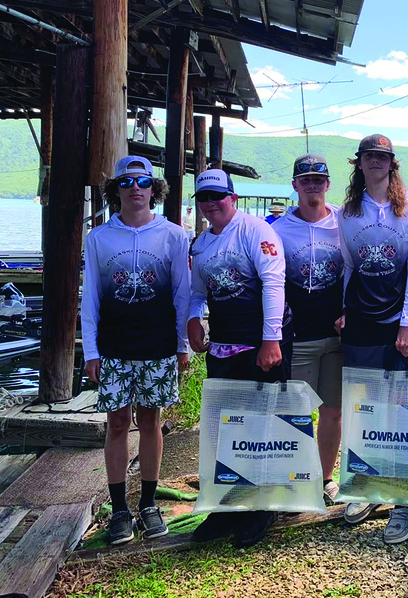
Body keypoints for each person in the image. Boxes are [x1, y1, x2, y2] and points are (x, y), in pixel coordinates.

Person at [81, 155, 190, 545]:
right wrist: (90, 350)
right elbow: (90, 296)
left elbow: (182, 295)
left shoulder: (174, 236)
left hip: (158, 346)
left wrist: (182, 347)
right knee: (115, 424)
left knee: (150, 422)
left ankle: (147, 503)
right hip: (112, 348)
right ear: (115, 191)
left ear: (154, 190)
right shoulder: (98, 239)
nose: (136, 190)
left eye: (143, 182)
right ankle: (119, 510)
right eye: (126, 184)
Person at [187, 168, 292, 548]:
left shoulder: (257, 231)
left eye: (218, 196)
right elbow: (198, 291)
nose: (211, 203)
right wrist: (192, 318)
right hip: (223, 347)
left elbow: (274, 283)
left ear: (233, 198)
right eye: (203, 198)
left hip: (258, 342)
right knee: (226, 427)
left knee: (263, 426)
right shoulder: (200, 245)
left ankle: (264, 505)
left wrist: (271, 339)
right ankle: (228, 504)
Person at [336, 133, 408, 544]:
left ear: (393, 163)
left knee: (404, 410)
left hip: (401, 323)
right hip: (361, 322)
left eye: (383, 157)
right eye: (369, 156)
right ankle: (370, 487)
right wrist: (341, 308)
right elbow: (346, 266)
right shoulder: (347, 212)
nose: (376, 162)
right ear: (359, 163)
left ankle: (406, 499)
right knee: (366, 408)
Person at [273, 154, 344, 504]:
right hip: (298, 335)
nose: (313, 185)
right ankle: (297, 476)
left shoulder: (345, 223)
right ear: (295, 186)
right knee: (297, 410)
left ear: (328, 184)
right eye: (306, 180)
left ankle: (326, 477)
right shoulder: (277, 229)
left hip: (337, 335)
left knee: (333, 410)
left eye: (319, 179)